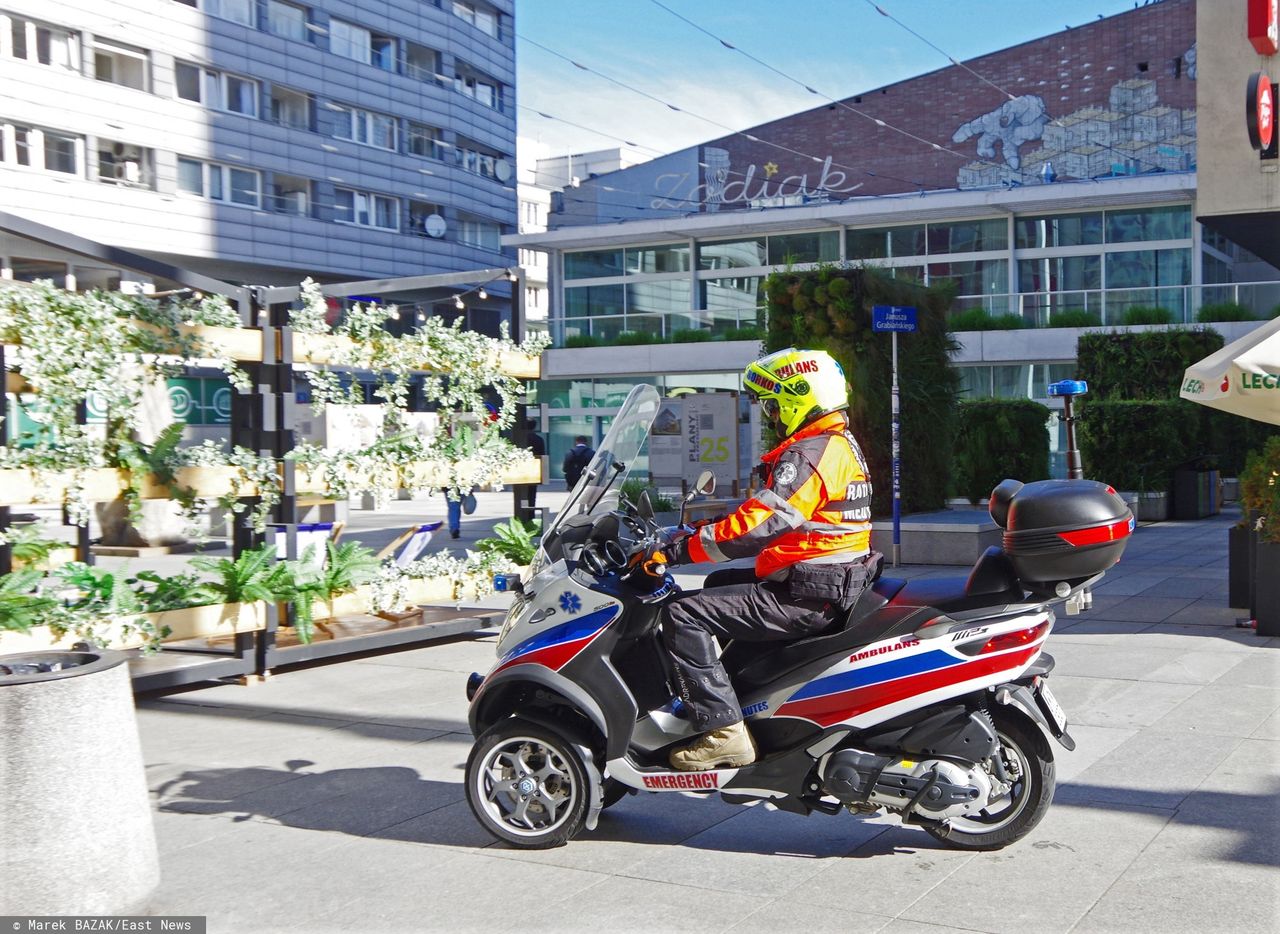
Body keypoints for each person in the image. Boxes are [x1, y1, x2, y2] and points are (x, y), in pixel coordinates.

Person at [660, 348, 878, 771]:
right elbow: (765, 514)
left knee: (683, 614)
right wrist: (699, 531)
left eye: (775, 405)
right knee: (716, 588)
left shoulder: (811, 453)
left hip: (808, 592)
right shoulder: (836, 444)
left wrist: (678, 550)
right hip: (827, 582)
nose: (773, 416)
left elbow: (757, 528)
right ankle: (735, 699)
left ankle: (724, 732)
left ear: (799, 398)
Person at [514, 419, 545, 522]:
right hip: (534, 471)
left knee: (519, 495)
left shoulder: (519, 439)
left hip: (520, 471)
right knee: (531, 496)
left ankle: (520, 517)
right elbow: (542, 455)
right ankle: (530, 517)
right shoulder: (539, 439)